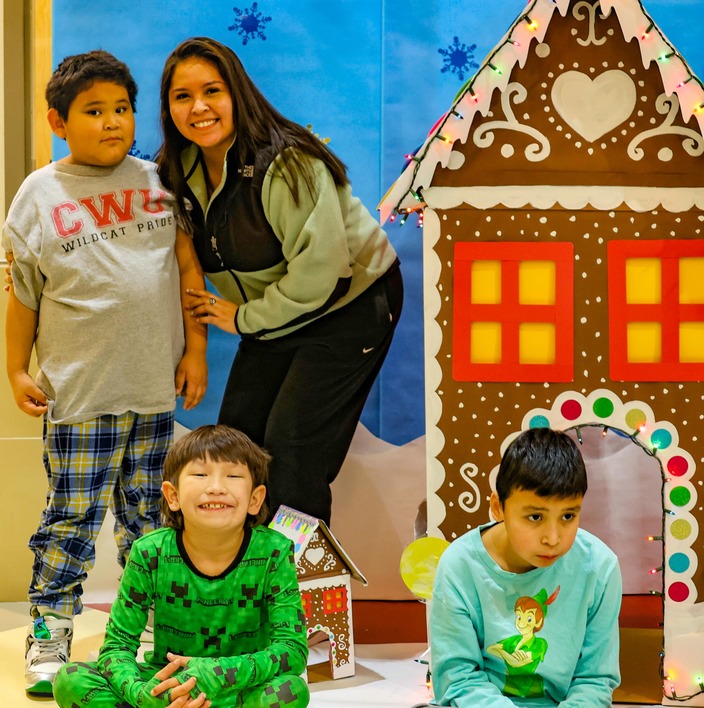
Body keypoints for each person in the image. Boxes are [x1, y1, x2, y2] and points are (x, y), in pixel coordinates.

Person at [2, 49, 207, 695]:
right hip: (81, 393)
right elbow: (23, 294)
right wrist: (14, 369)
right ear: (59, 121)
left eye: (122, 109)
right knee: (72, 518)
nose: (113, 122)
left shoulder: (158, 181)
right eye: (95, 111)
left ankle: (151, 628)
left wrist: (195, 351)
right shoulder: (40, 193)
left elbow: (187, 271)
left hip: (151, 391)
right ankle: (51, 630)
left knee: (150, 519)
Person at [155, 37, 403, 524]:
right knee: (234, 448)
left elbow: (320, 272)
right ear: (168, 107)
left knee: (292, 453)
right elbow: (175, 257)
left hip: (348, 306)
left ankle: (301, 592)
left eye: (212, 91)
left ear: (237, 94)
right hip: (275, 314)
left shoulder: (286, 163)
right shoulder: (176, 173)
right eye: (182, 96)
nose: (199, 107)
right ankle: (239, 579)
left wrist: (246, 317)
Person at [52, 424, 309, 708]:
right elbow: (116, 647)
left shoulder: (274, 551)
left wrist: (220, 674)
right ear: (172, 496)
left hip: (236, 689)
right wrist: (142, 695)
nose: (216, 488)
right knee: (70, 678)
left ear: (255, 499)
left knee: (291, 691)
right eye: (200, 474)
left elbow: (292, 650)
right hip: (165, 688)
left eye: (233, 476)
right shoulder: (150, 552)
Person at [428, 427, 622, 707]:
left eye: (568, 515)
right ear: (498, 507)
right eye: (534, 516)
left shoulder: (600, 568)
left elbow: (595, 680)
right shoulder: (459, 566)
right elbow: (458, 680)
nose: (552, 538)